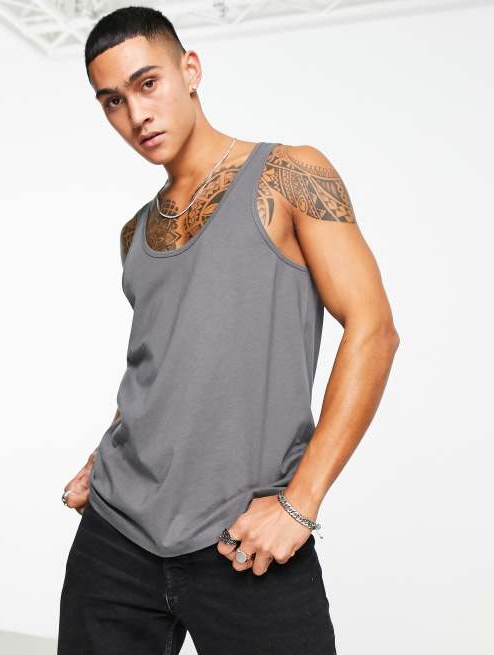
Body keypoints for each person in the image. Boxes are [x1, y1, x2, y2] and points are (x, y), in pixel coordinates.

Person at [57, 6, 400, 655]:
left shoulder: (289, 174)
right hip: (116, 535)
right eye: (113, 101)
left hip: (246, 537)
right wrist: (110, 446)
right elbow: (159, 361)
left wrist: (299, 503)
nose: (136, 114)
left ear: (190, 70)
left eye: (147, 83)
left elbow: (373, 329)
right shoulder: (134, 233)